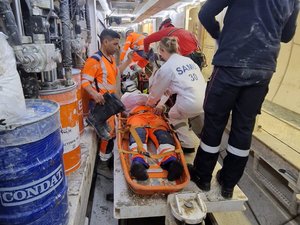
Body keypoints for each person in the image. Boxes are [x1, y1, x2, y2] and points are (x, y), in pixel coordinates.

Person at [189, 0, 299, 199]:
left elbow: (205, 13)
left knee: (215, 123)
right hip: (263, 69)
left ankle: (203, 176)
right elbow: (287, 35)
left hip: (230, 63)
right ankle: (228, 183)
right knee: (244, 127)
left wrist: (219, 34)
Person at [146, 37, 207, 154]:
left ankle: (186, 144)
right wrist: (160, 104)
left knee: (173, 114)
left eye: (160, 52)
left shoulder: (167, 68)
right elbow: (170, 89)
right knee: (181, 112)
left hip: (190, 103)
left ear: (162, 50)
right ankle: (190, 141)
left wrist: (150, 103)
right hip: (204, 101)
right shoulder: (189, 61)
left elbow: (156, 91)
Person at [81, 29, 132, 164]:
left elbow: (117, 72)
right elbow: (85, 82)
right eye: (115, 44)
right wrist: (95, 94)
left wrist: (129, 61)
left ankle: (106, 157)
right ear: (105, 42)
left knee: (110, 133)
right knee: (107, 135)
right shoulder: (94, 60)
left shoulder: (109, 59)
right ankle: (104, 161)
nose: (117, 47)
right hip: (101, 104)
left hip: (110, 104)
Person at [121, 80, 183, 181]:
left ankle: (141, 161)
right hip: (150, 116)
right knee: (159, 134)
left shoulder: (128, 99)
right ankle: (169, 160)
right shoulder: (127, 97)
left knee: (154, 134)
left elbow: (162, 104)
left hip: (142, 116)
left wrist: (162, 106)